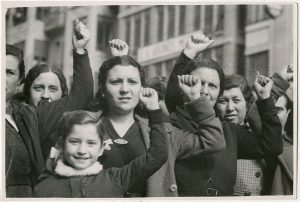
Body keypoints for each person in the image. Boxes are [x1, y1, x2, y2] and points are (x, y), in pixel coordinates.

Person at [86, 38, 225, 197]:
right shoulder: (83, 126)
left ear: (141, 88)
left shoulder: (163, 132)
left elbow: (213, 141)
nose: (125, 89)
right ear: (103, 90)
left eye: (132, 82)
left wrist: (196, 99)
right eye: (116, 82)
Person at [165, 33, 283, 196]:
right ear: (185, 85)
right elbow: (173, 94)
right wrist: (187, 54)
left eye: (212, 86)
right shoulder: (173, 124)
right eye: (198, 83)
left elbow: (272, 146)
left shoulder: (229, 131)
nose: (205, 91)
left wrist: (265, 99)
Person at [5, 19, 93, 197]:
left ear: (19, 79)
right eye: (39, 88)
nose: (46, 95)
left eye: (9, 72)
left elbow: (81, 95)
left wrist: (80, 51)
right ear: (27, 89)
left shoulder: (33, 115)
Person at [34, 90, 169, 197]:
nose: (82, 150)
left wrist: (153, 111)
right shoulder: (43, 189)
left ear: (101, 148)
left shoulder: (115, 179)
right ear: (62, 144)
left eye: (91, 143)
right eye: (74, 142)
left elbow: (158, 154)